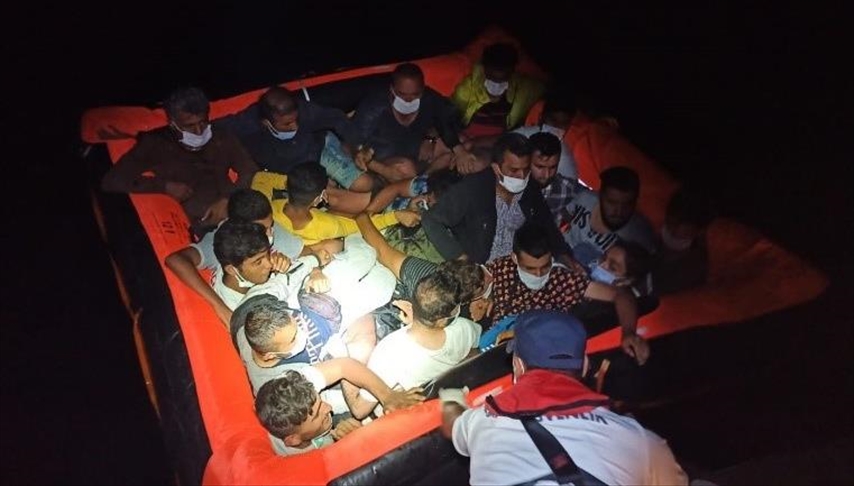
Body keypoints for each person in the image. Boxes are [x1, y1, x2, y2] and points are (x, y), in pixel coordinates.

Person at [440, 309, 688, 485]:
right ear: (585, 365)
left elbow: (453, 423)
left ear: (518, 366)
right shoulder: (640, 442)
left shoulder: (483, 421)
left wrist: (451, 398)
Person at [101, 87, 259, 235]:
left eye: (203, 122)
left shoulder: (221, 136)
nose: (198, 131)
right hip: (203, 224)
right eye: (189, 126)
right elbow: (113, 179)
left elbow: (249, 170)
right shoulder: (155, 143)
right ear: (173, 123)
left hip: (236, 209)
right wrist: (164, 186)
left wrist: (228, 199)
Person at [486, 222, 649, 364]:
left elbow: (621, 296)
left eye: (544, 267)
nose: (538, 274)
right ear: (515, 259)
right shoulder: (500, 269)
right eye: (530, 269)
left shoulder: (563, 280)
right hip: (489, 355)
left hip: (530, 359)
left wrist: (629, 333)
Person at [421, 132, 572, 264]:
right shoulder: (473, 188)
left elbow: (546, 224)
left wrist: (564, 256)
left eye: (526, 169)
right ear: (496, 168)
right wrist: (461, 260)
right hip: (481, 267)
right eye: (513, 170)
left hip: (515, 266)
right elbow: (431, 220)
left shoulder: (530, 189)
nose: (521, 176)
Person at [165, 188, 306, 325]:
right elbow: (176, 260)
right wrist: (220, 307)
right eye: (262, 229)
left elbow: (307, 254)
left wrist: (283, 263)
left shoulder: (268, 229)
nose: (270, 235)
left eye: (271, 226)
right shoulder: (226, 247)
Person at [359, 271, 481, 409]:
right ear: (441, 320)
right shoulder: (465, 328)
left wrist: (356, 353)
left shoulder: (389, 351)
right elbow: (474, 353)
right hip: (452, 401)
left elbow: (359, 409)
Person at [218, 86, 376, 192]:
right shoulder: (247, 124)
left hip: (319, 150)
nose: (295, 126)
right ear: (267, 123)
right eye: (287, 124)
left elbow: (337, 118)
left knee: (364, 184)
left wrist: (358, 146)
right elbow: (212, 129)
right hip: (289, 173)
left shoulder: (304, 110)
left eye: (296, 119)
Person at [351, 63, 479, 181]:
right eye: (402, 94)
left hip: (418, 152)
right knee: (406, 168)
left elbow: (445, 122)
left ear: (423, 89)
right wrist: (381, 169)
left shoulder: (430, 99)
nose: (408, 100)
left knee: (462, 143)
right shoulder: (374, 105)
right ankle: (414, 183)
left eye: (415, 94)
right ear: (392, 89)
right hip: (386, 160)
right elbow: (352, 143)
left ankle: (424, 178)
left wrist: (431, 138)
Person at [256, 368, 424, 456]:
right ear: (294, 439)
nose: (328, 408)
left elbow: (343, 366)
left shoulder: (292, 386)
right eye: (317, 414)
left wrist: (387, 395)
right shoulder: (297, 463)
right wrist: (357, 442)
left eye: (321, 403)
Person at [251, 162, 421, 245]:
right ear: (318, 198)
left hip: (294, 232)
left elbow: (261, 177)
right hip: (317, 237)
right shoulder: (327, 225)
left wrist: (297, 184)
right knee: (350, 214)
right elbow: (358, 225)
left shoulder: (268, 208)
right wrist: (395, 216)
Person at [562, 166, 656, 269]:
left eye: (627, 204)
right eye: (612, 202)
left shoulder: (640, 236)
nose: (619, 211)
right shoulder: (584, 199)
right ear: (601, 195)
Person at [451, 42, 545, 143]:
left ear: (512, 71)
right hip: (466, 140)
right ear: (484, 69)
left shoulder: (525, 89)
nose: (496, 84)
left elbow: (548, 90)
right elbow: (452, 117)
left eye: (502, 80)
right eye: (492, 78)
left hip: (500, 142)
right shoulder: (466, 90)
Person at [653, 187, 715, 295]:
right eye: (669, 223)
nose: (671, 230)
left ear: (699, 231)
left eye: (678, 227)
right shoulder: (650, 238)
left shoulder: (695, 267)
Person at [512, 92, 580, 181]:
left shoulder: (566, 162)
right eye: (553, 120)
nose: (557, 126)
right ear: (541, 118)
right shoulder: (521, 135)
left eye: (563, 123)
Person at [526, 131, 580, 228]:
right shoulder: (509, 188)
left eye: (553, 167)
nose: (547, 175)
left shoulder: (568, 188)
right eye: (540, 167)